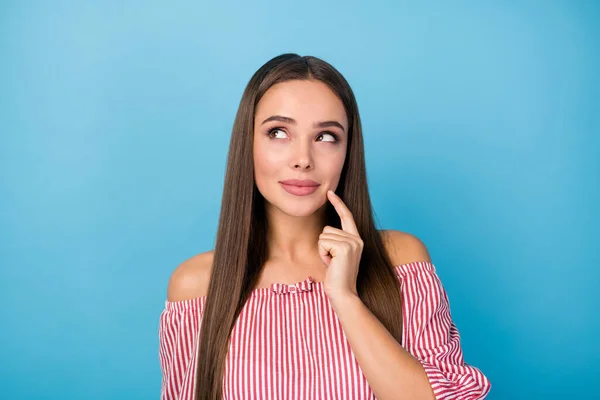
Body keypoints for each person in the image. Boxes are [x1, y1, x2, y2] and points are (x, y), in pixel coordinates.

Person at [158, 53, 491, 400]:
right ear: (248, 144)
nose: (303, 159)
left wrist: (345, 298)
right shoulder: (197, 287)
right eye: (278, 132)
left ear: (348, 151)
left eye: (326, 137)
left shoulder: (401, 261)